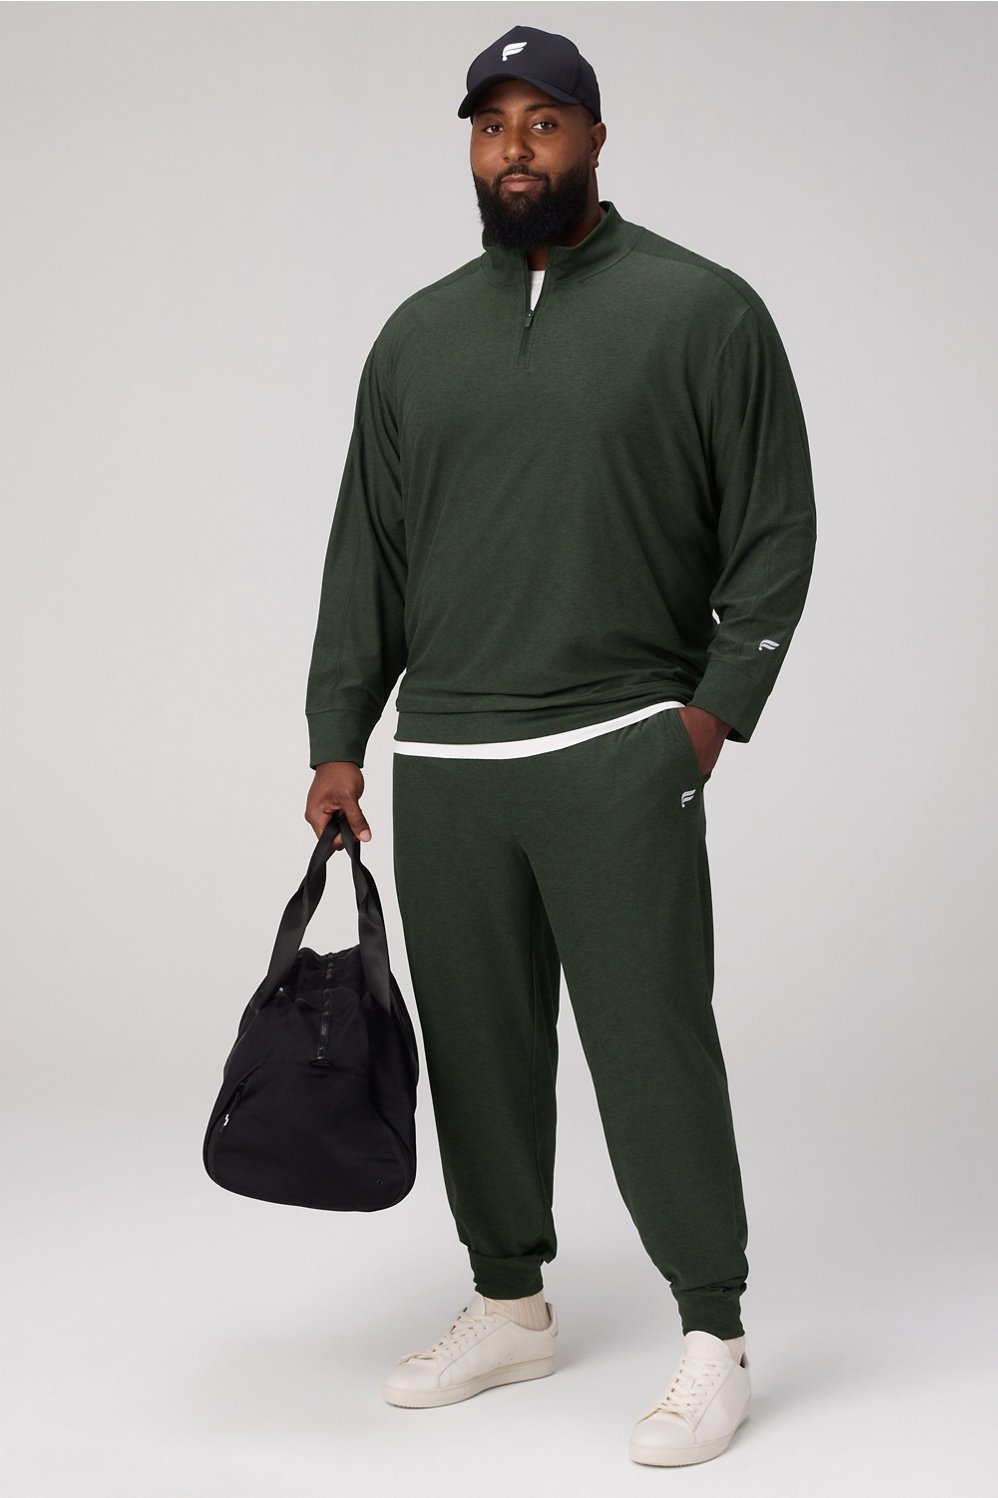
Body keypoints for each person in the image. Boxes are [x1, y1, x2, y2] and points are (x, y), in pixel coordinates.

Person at [303, 24, 816, 1467]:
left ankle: (711, 1335)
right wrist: (339, 735)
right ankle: (508, 1303)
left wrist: (710, 711)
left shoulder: (700, 310)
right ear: (471, 148)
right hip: (449, 757)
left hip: (613, 743)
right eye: (491, 126)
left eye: (543, 121)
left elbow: (774, 522)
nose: (514, 148)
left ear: (594, 137)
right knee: (477, 1049)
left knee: (650, 1043)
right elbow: (366, 553)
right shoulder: (416, 336)